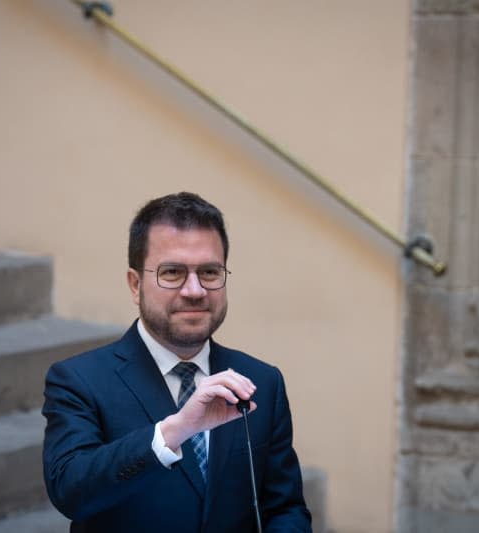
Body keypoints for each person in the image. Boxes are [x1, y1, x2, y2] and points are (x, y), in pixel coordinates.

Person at [43, 192, 311, 532]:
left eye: (210, 272)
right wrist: (177, 429)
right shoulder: (79, 380)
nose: (195, 290)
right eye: (172, 273)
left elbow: (285, 509)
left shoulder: (263, 380)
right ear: (135, 284)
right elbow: (71, 492)